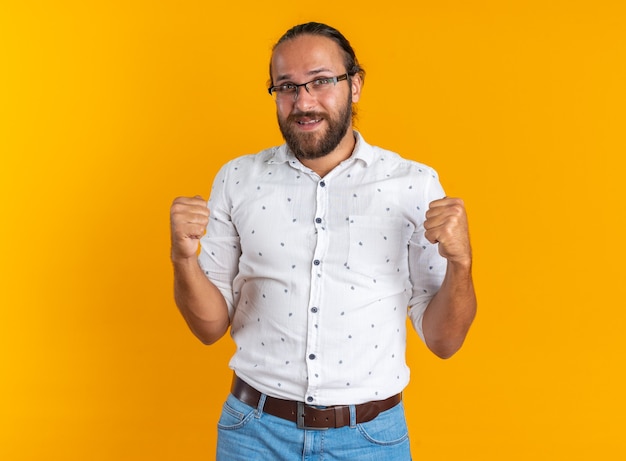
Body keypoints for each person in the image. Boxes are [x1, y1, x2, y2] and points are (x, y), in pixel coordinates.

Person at [170, 22, 476, 461]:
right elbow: (209, 328)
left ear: (355, 85)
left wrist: (461, 264)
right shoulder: (237, 178)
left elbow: (444, 341)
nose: (303, 101)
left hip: (371, 440)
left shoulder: (414, 184)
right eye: (287, 87)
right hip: (252, 434)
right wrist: (183, 260)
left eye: (320, 81)